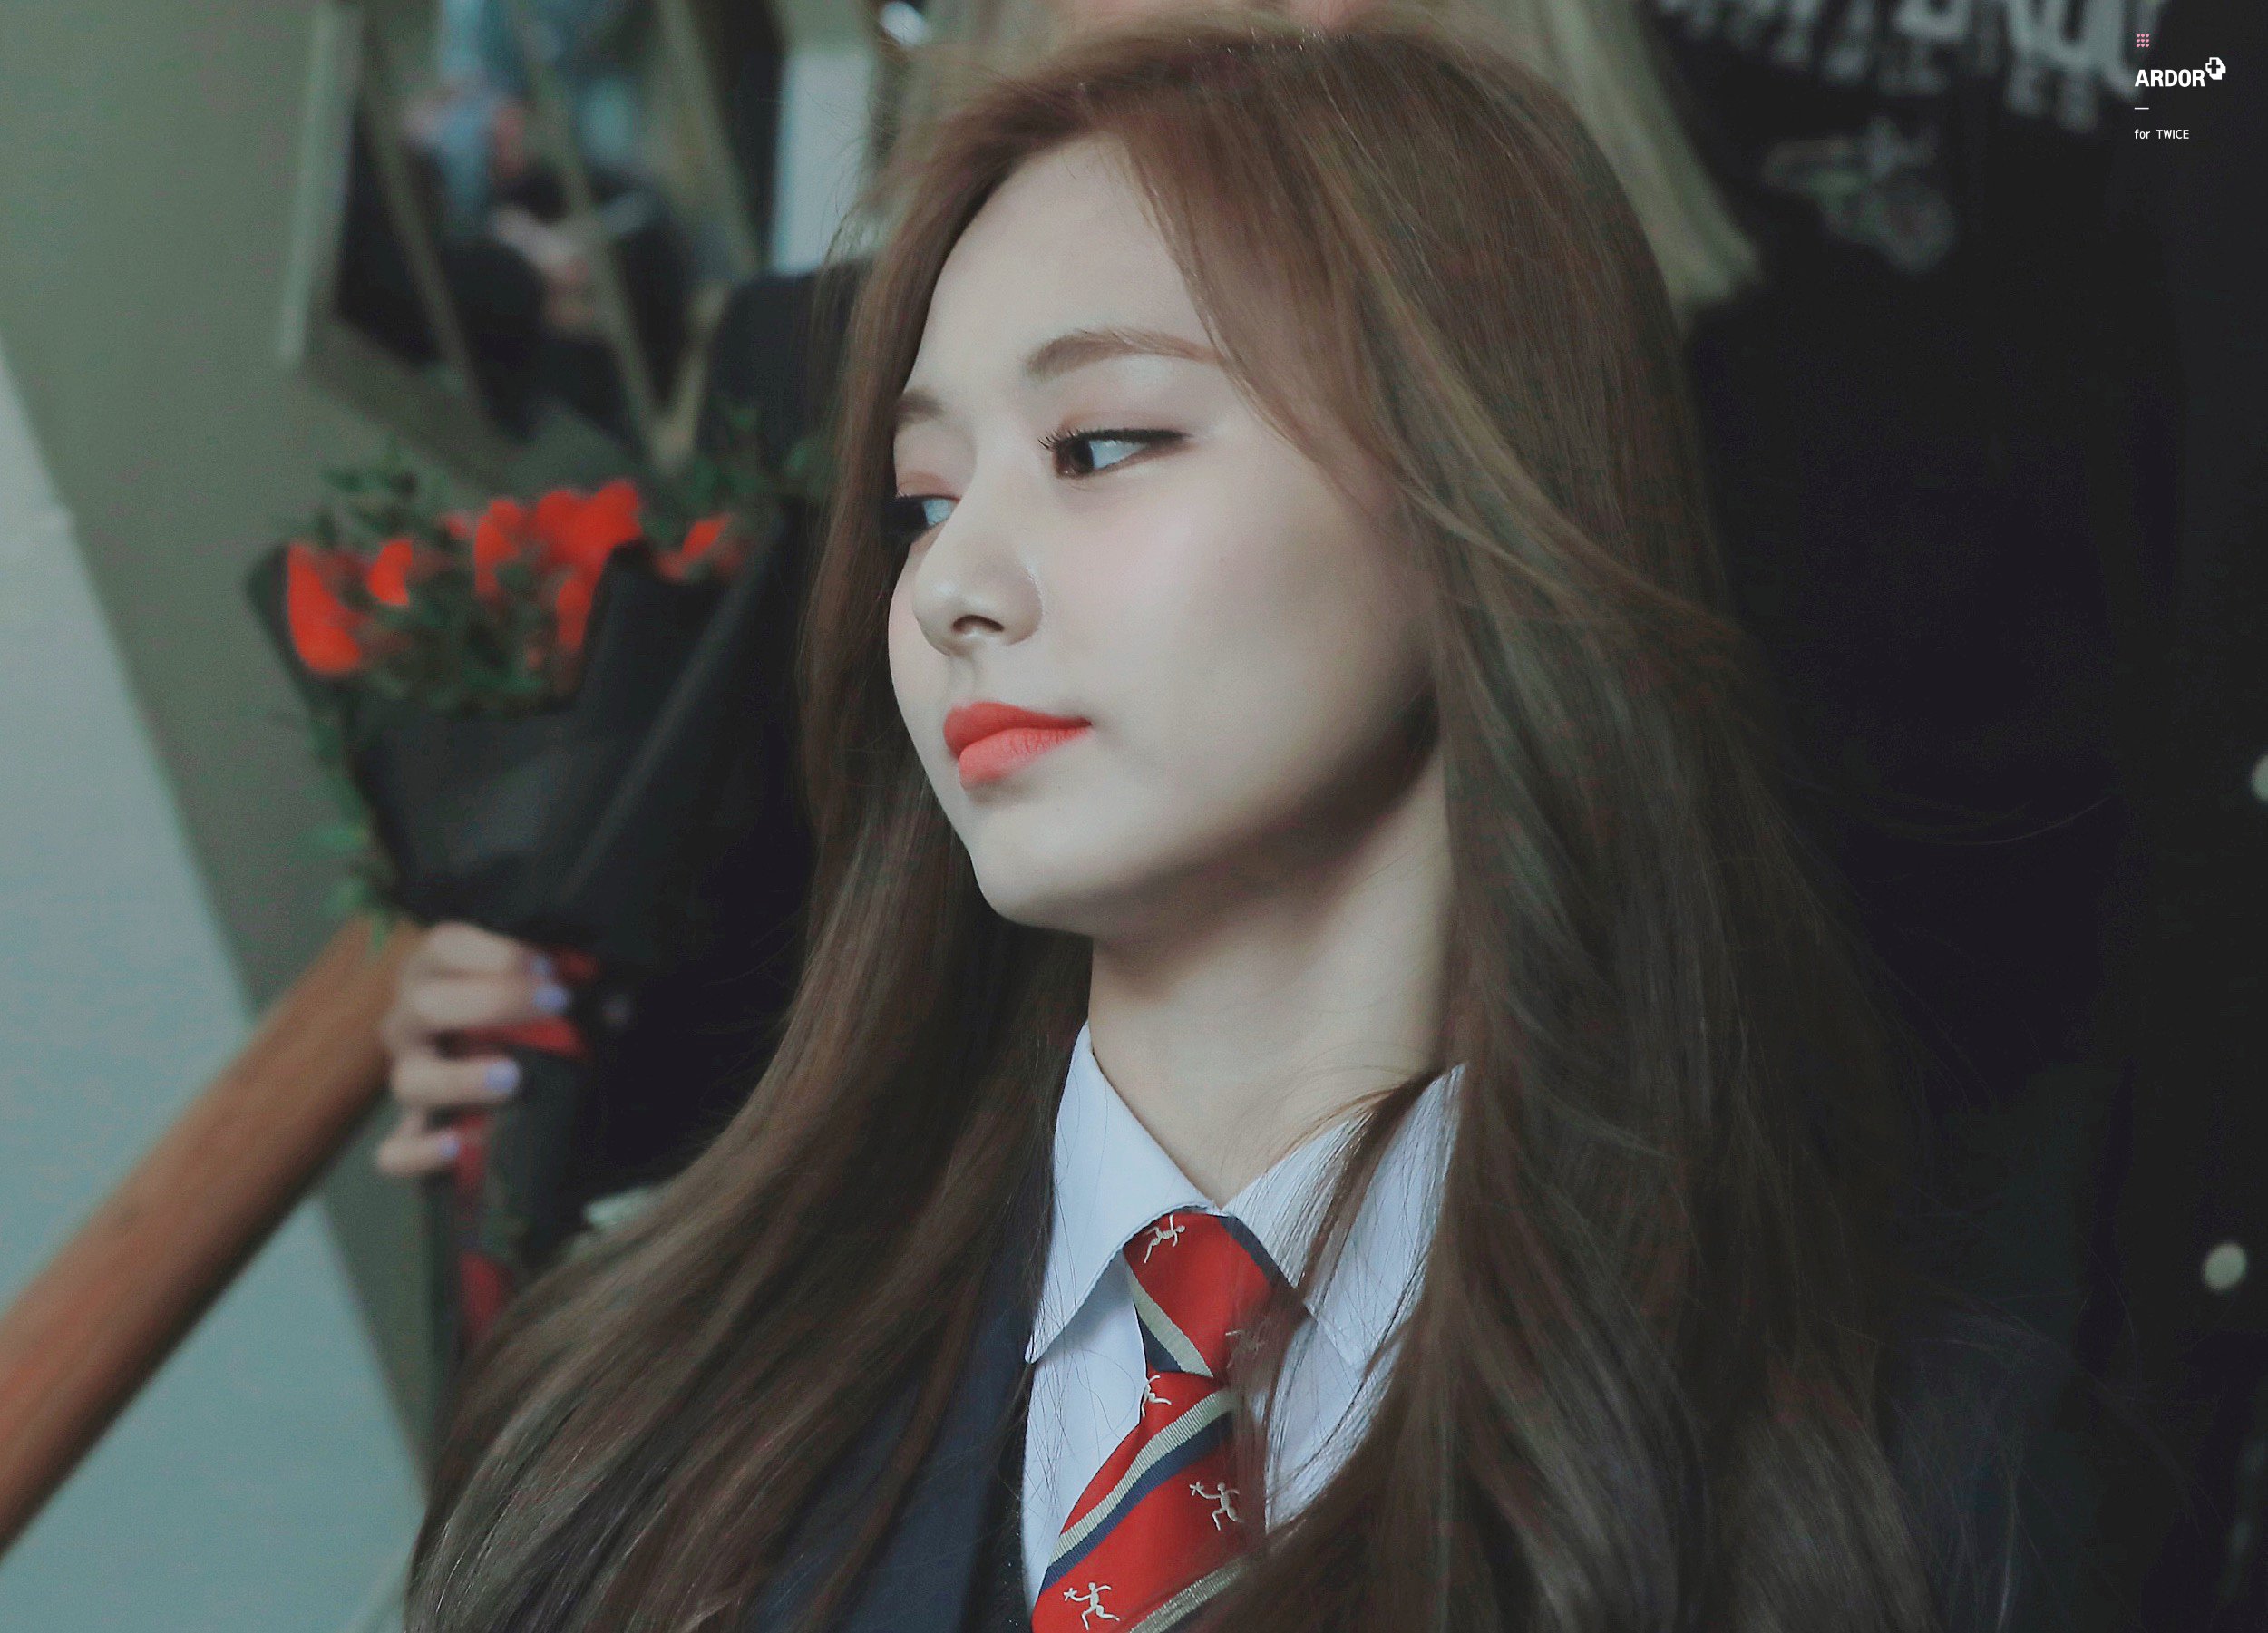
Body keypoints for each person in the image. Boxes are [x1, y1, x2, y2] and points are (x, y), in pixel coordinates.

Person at [400, 21, 2038, 1633]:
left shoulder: (1905, 1484)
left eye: (1101, 444)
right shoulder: (623, 1411)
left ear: (1470, 480)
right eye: (920, 501)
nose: (955, 583)